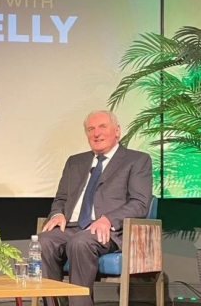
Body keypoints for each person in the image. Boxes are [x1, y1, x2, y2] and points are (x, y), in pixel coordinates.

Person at [39, 110, 152, 306]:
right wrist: (57, 213)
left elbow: (140, 203)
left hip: (108, 231)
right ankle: (52, 303)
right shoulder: (75, 162)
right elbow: (61, 198)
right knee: (43, 241)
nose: (96, 133)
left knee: (80, 243)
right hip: (72, 227)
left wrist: (108, 219)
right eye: (91, 129)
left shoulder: (137, 160)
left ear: (117, 131)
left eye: (102, 127)